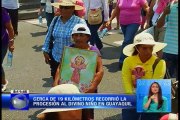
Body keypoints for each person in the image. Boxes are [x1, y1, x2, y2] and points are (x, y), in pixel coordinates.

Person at [53, 23, 104, 120]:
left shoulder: (94, 50)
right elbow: (61, 67)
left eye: (81, 35)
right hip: (69, 89)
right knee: (71, 112)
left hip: (87, 90)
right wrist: (56, 82)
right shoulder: (69, 50)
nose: (78, 38)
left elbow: (100, 71)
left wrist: (93, 86)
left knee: (87, 113)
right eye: (75, 35)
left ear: (88, 37)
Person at [121, 32, 167, 120]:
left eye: (150, 48)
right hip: (132, 96)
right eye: (144, 48)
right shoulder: (128, 60)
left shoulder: (160, 62)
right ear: (137, 48)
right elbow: (126, 79)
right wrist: (131, 95)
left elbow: (156, 83)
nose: (148, 51)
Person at [42, 0, 86, 81]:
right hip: (56, 57)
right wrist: (45, 50)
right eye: (61, 7)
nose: (63, 9)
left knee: (70, 85)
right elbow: (49, 35)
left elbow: (85, 42)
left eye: (66, 8)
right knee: (56, 82)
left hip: (72, 61)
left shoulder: (79, 22)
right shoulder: (55, 20)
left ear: (73, 9)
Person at [106, 0, 150, 70]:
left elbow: (147, 8)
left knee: (127, 40)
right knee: (129, 42)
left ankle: (122, 61)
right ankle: (134, 58)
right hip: (123, 23)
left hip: (134, 22)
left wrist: (148, 22)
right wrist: (110, 20)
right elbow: (117, 10)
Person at [156, 0, 178, 80]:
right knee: (165, 80)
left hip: (170, 51)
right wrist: (164, 13)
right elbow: (158, 25)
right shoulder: (171, 7)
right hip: (169, 50)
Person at [1, 7, 15, 92]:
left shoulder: (3, 12)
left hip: (2, 43)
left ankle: (3, 82)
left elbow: (10, 28)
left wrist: (11, 43)